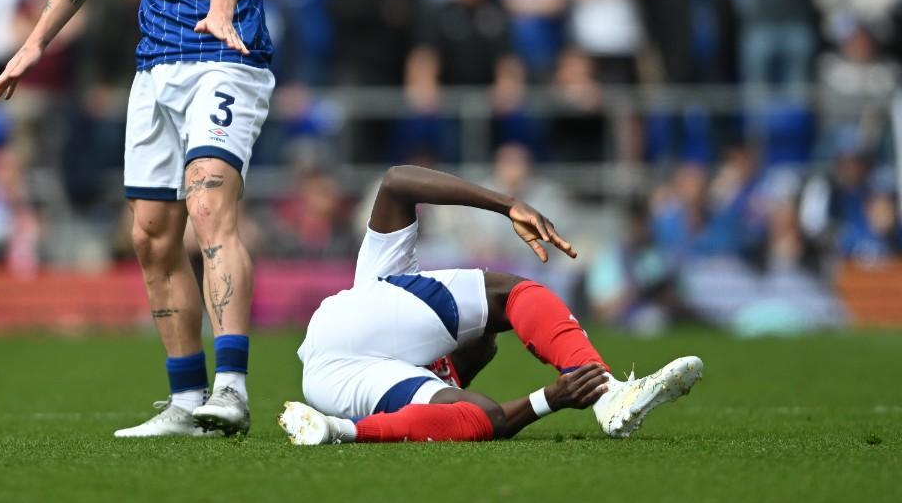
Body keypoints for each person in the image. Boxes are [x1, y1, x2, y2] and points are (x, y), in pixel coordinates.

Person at [0, 0, 275, 437]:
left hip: (224, 57)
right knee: (148, 235)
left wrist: (220, 11)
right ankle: (187, 400)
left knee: (209, 206)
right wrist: (37, 41)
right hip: (156, 65)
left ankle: (233, 389)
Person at [278, 165, 703, 444]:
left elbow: (491, 420)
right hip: (339, 358)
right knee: (512, 295)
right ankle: (608, 393)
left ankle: (336, 431)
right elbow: (395, 181)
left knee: (477, 415)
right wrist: (509, 204)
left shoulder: (406, 366)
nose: (487, 338)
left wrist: (550, 399)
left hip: (324, 381)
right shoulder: (389, 292)